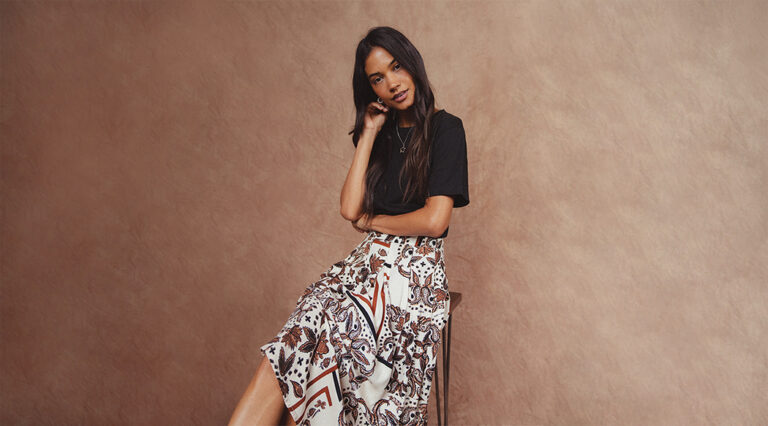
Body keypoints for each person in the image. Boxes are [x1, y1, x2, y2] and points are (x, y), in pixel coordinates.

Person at [228, 26, 469, 425]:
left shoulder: (447, 129)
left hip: (414, 275)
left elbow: (434, 219)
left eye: (396, 68)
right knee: (299, 333)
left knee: (337, 328)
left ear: (412, 63)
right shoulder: (381, 134)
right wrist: (370, 132)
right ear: (371, 88)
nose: (392, 83)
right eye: (378, 78)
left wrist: (376, 222)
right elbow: (348, 208)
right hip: (363, 268)